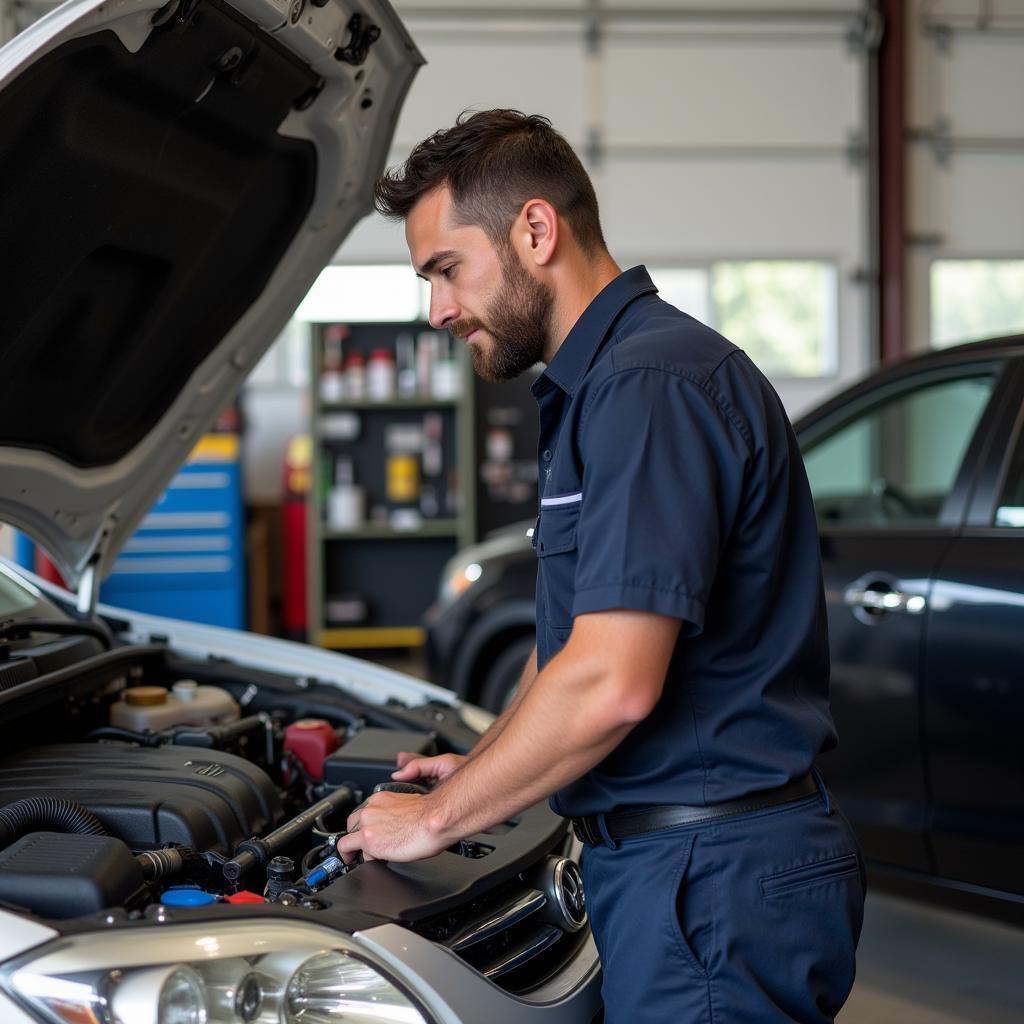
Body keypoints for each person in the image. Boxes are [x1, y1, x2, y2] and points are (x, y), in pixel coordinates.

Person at [337, 109, 865, 1023]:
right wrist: (478, 770)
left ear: (536, 230)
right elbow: (581, 642)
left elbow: (614, 682)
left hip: (712, 886)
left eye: (446, 270)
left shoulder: (645, 388)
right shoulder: (607, 386)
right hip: (683, 871)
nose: (438, 312)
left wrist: (435, 821)